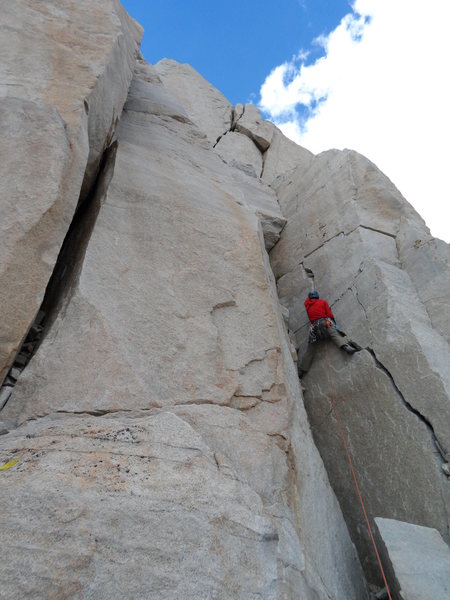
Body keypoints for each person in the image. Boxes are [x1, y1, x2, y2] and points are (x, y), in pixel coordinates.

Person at [298, 290, 358, 378]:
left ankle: (302, 370)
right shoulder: (323, 302)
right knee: (335, 334)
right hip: (324, 323)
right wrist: (333, 322)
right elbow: (329, 314)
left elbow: (307, 302)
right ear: (317, 296)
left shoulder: (307, 306)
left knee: (310, 349)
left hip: (314, 328)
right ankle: (345, 347)